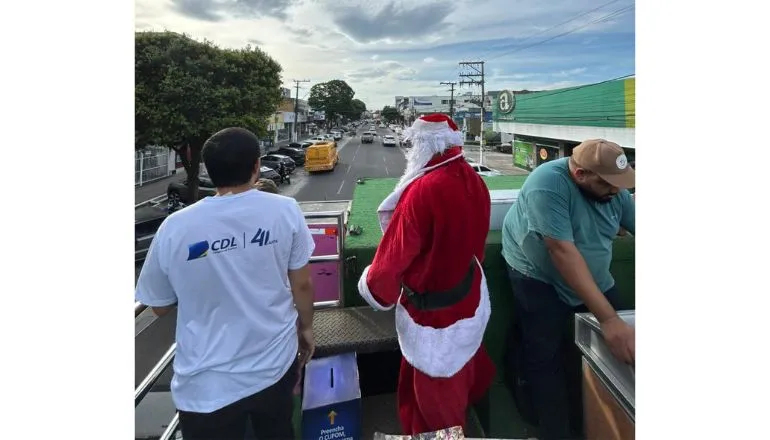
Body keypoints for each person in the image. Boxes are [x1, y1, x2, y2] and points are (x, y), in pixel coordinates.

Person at [135, 127, 316, 440]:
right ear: (257, 166)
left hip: (205, 387)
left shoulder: (175, 227)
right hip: (274, 366)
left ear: (209, 169)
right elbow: (301, 285)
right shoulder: (285, 211)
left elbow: (160, 307)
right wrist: (307, 329)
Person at [357, 113, 496, 435]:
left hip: (432, 318)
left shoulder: (423, 190)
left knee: (435, 407)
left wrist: (376, 288)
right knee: (458, 386)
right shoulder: (474, 179)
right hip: (468, 298)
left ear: (425, 144)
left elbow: (390, 263)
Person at [501, 139, 636, 440]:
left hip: (594, 275)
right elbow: (562, 252)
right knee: (545, 357)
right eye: (607, 184)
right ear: (580, 175)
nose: (616, 191)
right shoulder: (547, 184)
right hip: (537, 276)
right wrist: (610, 320)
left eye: (621, 184)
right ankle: (555, 432)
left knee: (624, 344)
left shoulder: (614, 190)